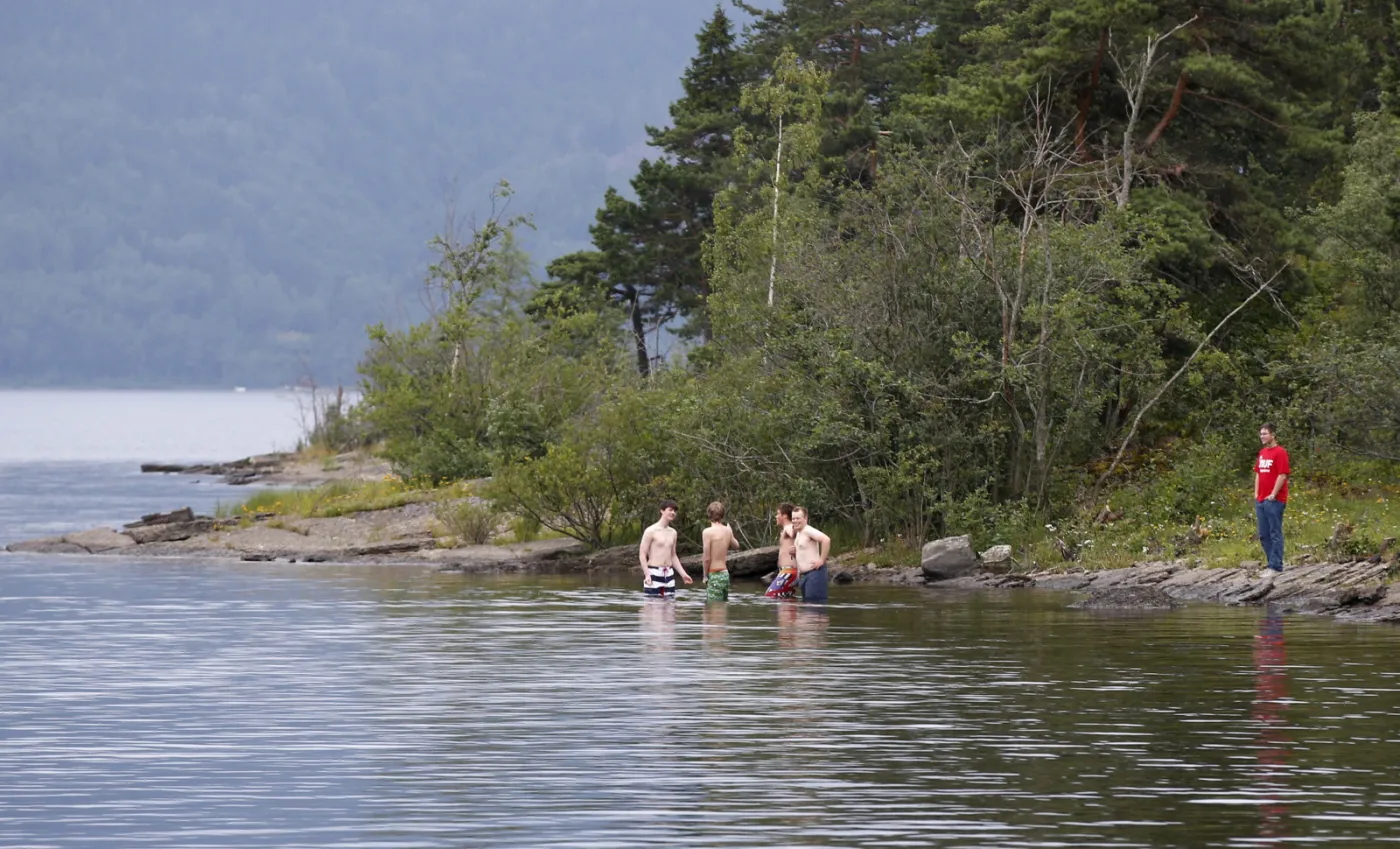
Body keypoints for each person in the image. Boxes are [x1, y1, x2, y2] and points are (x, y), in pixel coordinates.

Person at [1254, 423, 1290, 576]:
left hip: (1275, 500)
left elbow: (1282, 474)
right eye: (1261, 434)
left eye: (1265, 433)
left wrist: (1273, 494)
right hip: (1261, 499)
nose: (1262, 436)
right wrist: (1256, 494)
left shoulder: (1280, 452)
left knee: (1275, 532)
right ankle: (1271, 562)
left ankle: (1276, 566)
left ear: (1273, 435)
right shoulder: (1262, 452)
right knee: (1263, 534)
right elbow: (1258, 473)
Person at [639, 499, 693, 597]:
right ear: (662, 510)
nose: (673, 513)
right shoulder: (650, 531)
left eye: (674, 511)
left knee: (669, 608)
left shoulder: (673, 533)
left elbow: (673, 556)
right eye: (670, 510)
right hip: (653, 572)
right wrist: (647, 574)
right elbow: (642, 554)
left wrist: (683, 574)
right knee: (653, 606)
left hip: (668, 573)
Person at [790, 505, 831, 603]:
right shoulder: (799, 533)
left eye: (798, 518)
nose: (795, 521)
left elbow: (826, 540)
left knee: (814, 607)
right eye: (793, 518)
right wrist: (794, 553)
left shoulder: (808, 530)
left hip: (815, 574)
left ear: (805, 518)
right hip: (805, 576)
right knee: (807, 609)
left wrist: (821, 560)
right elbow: (803, 555)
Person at [701, 501, 740, 602]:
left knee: (714, 608)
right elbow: (736, 546)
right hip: (725, 574)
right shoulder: (727, 531)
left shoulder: (707, 532)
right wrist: (731, 533)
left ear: (709, 515)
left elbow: (706, 558)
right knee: (722, 607)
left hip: (714, 574)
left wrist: (705, 576)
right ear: (722, 515)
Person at [765, 503, 799, 599]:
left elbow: (793, 532)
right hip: (787, 572)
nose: (776, 516)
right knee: (786, 601)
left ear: (784, 516)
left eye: (778, 513)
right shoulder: (785, 529)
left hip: (789, 572)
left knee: (770, 595)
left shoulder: (788, 527)